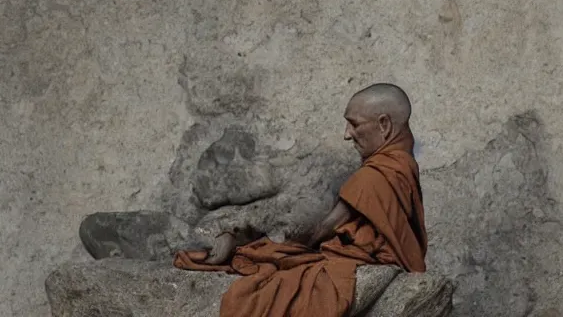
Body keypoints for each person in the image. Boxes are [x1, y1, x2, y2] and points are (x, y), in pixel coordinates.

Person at [175, 83, 427, 317]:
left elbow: (323, 230)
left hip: (354, 260)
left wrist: (278, 246)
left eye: (354, 124)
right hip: (371, 257)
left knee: (271, 274)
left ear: (384, 125)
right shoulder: (404, 165)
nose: (347, 135)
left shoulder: (374, 176)